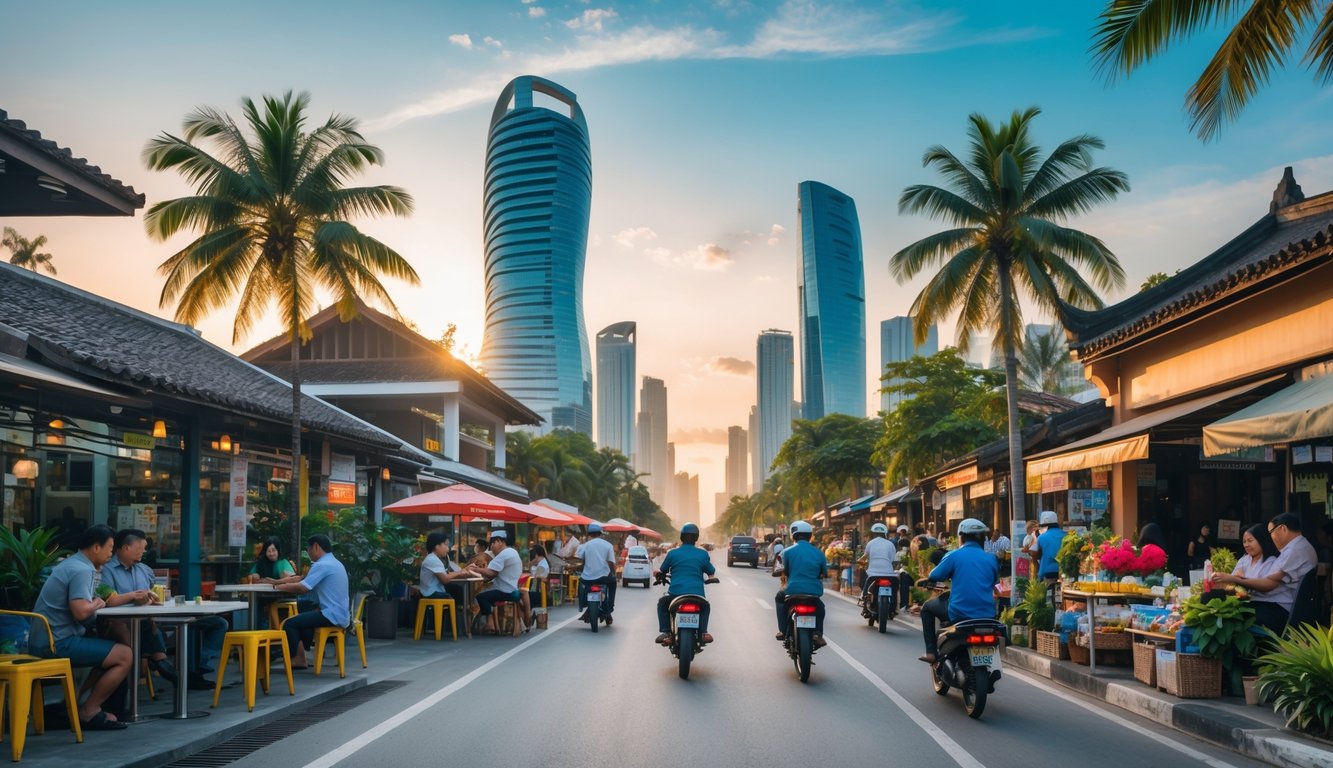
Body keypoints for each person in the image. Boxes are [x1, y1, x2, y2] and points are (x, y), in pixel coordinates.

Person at [30, 525, 131, 730]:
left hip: (47, 639)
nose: (111, 553)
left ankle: (77, 705)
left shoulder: (74, 564)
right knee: (125, 655)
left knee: (110, 649)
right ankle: (88, 711)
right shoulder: (81, 570)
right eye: (110, 548)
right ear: (96, 547)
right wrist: (99, 602)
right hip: (57, 642)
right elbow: (81, 611)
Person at [101, 528, 224, 689]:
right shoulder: (107, 571)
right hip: (122, 623)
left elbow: (158, 593)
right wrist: (134, 597)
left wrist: (160, 597)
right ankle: (162, 662)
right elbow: (108, 601)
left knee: (211, 622)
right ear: (126, 548)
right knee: (148, 625)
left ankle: (194, 667)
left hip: (152, 618)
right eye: (140, 548)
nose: (144, 552)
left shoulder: (144, 570)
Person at [919, 518, 998, 664]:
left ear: (960, 536)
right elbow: (995, 582)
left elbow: (934, 576)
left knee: (927, 608)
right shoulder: (991, 558)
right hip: (988, 614)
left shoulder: (953, 555)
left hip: (959, 613)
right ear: (983, 538)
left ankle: (931, 652)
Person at [273, 534, 349, 669]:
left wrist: (278, 587)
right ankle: (302, 656)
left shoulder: (322, 564)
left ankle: (298, 660)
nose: (307, 553)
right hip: (339, 613)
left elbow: (303, 587)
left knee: (289, 623)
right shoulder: (334, 562)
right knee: (304, 620)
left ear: (315, 547)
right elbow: (304, 580)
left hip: (331, 614)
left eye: (308, 549)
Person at [1212, 523, 1287, 635]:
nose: (1246, 545)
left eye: (1250, 540)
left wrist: (1236, 579)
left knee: (1233, 619)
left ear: (1261, 540)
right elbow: (1235, 580)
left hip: (1269, 607)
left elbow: (1259, 585)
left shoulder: (1272, 561)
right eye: (1244, 542)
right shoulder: (1245, 559)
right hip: (1252, 604)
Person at [654, 522, 716, 645]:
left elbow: (663, 570)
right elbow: (711, 571)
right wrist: (711, 577)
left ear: (681, 536)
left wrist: (657, 573)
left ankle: (666, 632)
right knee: (705, 607)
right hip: (697, 595)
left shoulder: (672, 553)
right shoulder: (702, 554)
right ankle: (703, 633)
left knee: (662, 603)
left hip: (675, 594)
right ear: (696, 537)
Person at [773, 520, 829, 647]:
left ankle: (782, 630)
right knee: (820, 608)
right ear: (810, 535)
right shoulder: (819, 553)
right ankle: (818, 634)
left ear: (793, 535)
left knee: (779, 598)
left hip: (792, 590)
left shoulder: (786, 552)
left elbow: (776, 571)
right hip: (813, 592)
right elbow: (824, 573)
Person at [1263, 512, 1319, 621]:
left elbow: (1269, 581)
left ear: (1282, 528)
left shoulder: (1294, 550)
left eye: (1271, 532)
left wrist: (1240, 580)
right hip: (1288, 606)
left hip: (1282, 609)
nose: (1271, 537)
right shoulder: (1301, 545)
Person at [468, 531, 524, 633]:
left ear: (500, 541)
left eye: (493, 544)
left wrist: (475, 569)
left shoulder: (503, 554)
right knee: (486, 594)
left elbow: (491, 573)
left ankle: (490, 623)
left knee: (480, 596)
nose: (491, 547)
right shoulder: (512, 552)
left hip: (505, 591)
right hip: (512, 589)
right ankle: (490, 622)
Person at [576, 522, 618, 623]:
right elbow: (611, 563)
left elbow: (579, 559)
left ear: (589, 534)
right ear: (600, 533)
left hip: (587, 578)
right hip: (603, 577)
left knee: (580, 584)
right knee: (613, 583)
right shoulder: (608, 545)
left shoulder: (585, 546)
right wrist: (614, 574)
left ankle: (582, 605)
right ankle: (610, 607)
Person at [1029, 510, 1066, 583]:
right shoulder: (1066, 535)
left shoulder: (1041, 537)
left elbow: (1033, 553)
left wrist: (1034, 537)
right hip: (1065, 572)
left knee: (1048, 593)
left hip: (1047, 572)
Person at [523, 544, 550, 629]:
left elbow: (535, 581)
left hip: (537, 592)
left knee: (523, 597)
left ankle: (526, 619)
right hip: (538, 590)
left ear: (536, 555)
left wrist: (530, 564)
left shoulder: (542, 566)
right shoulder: (542, 563)